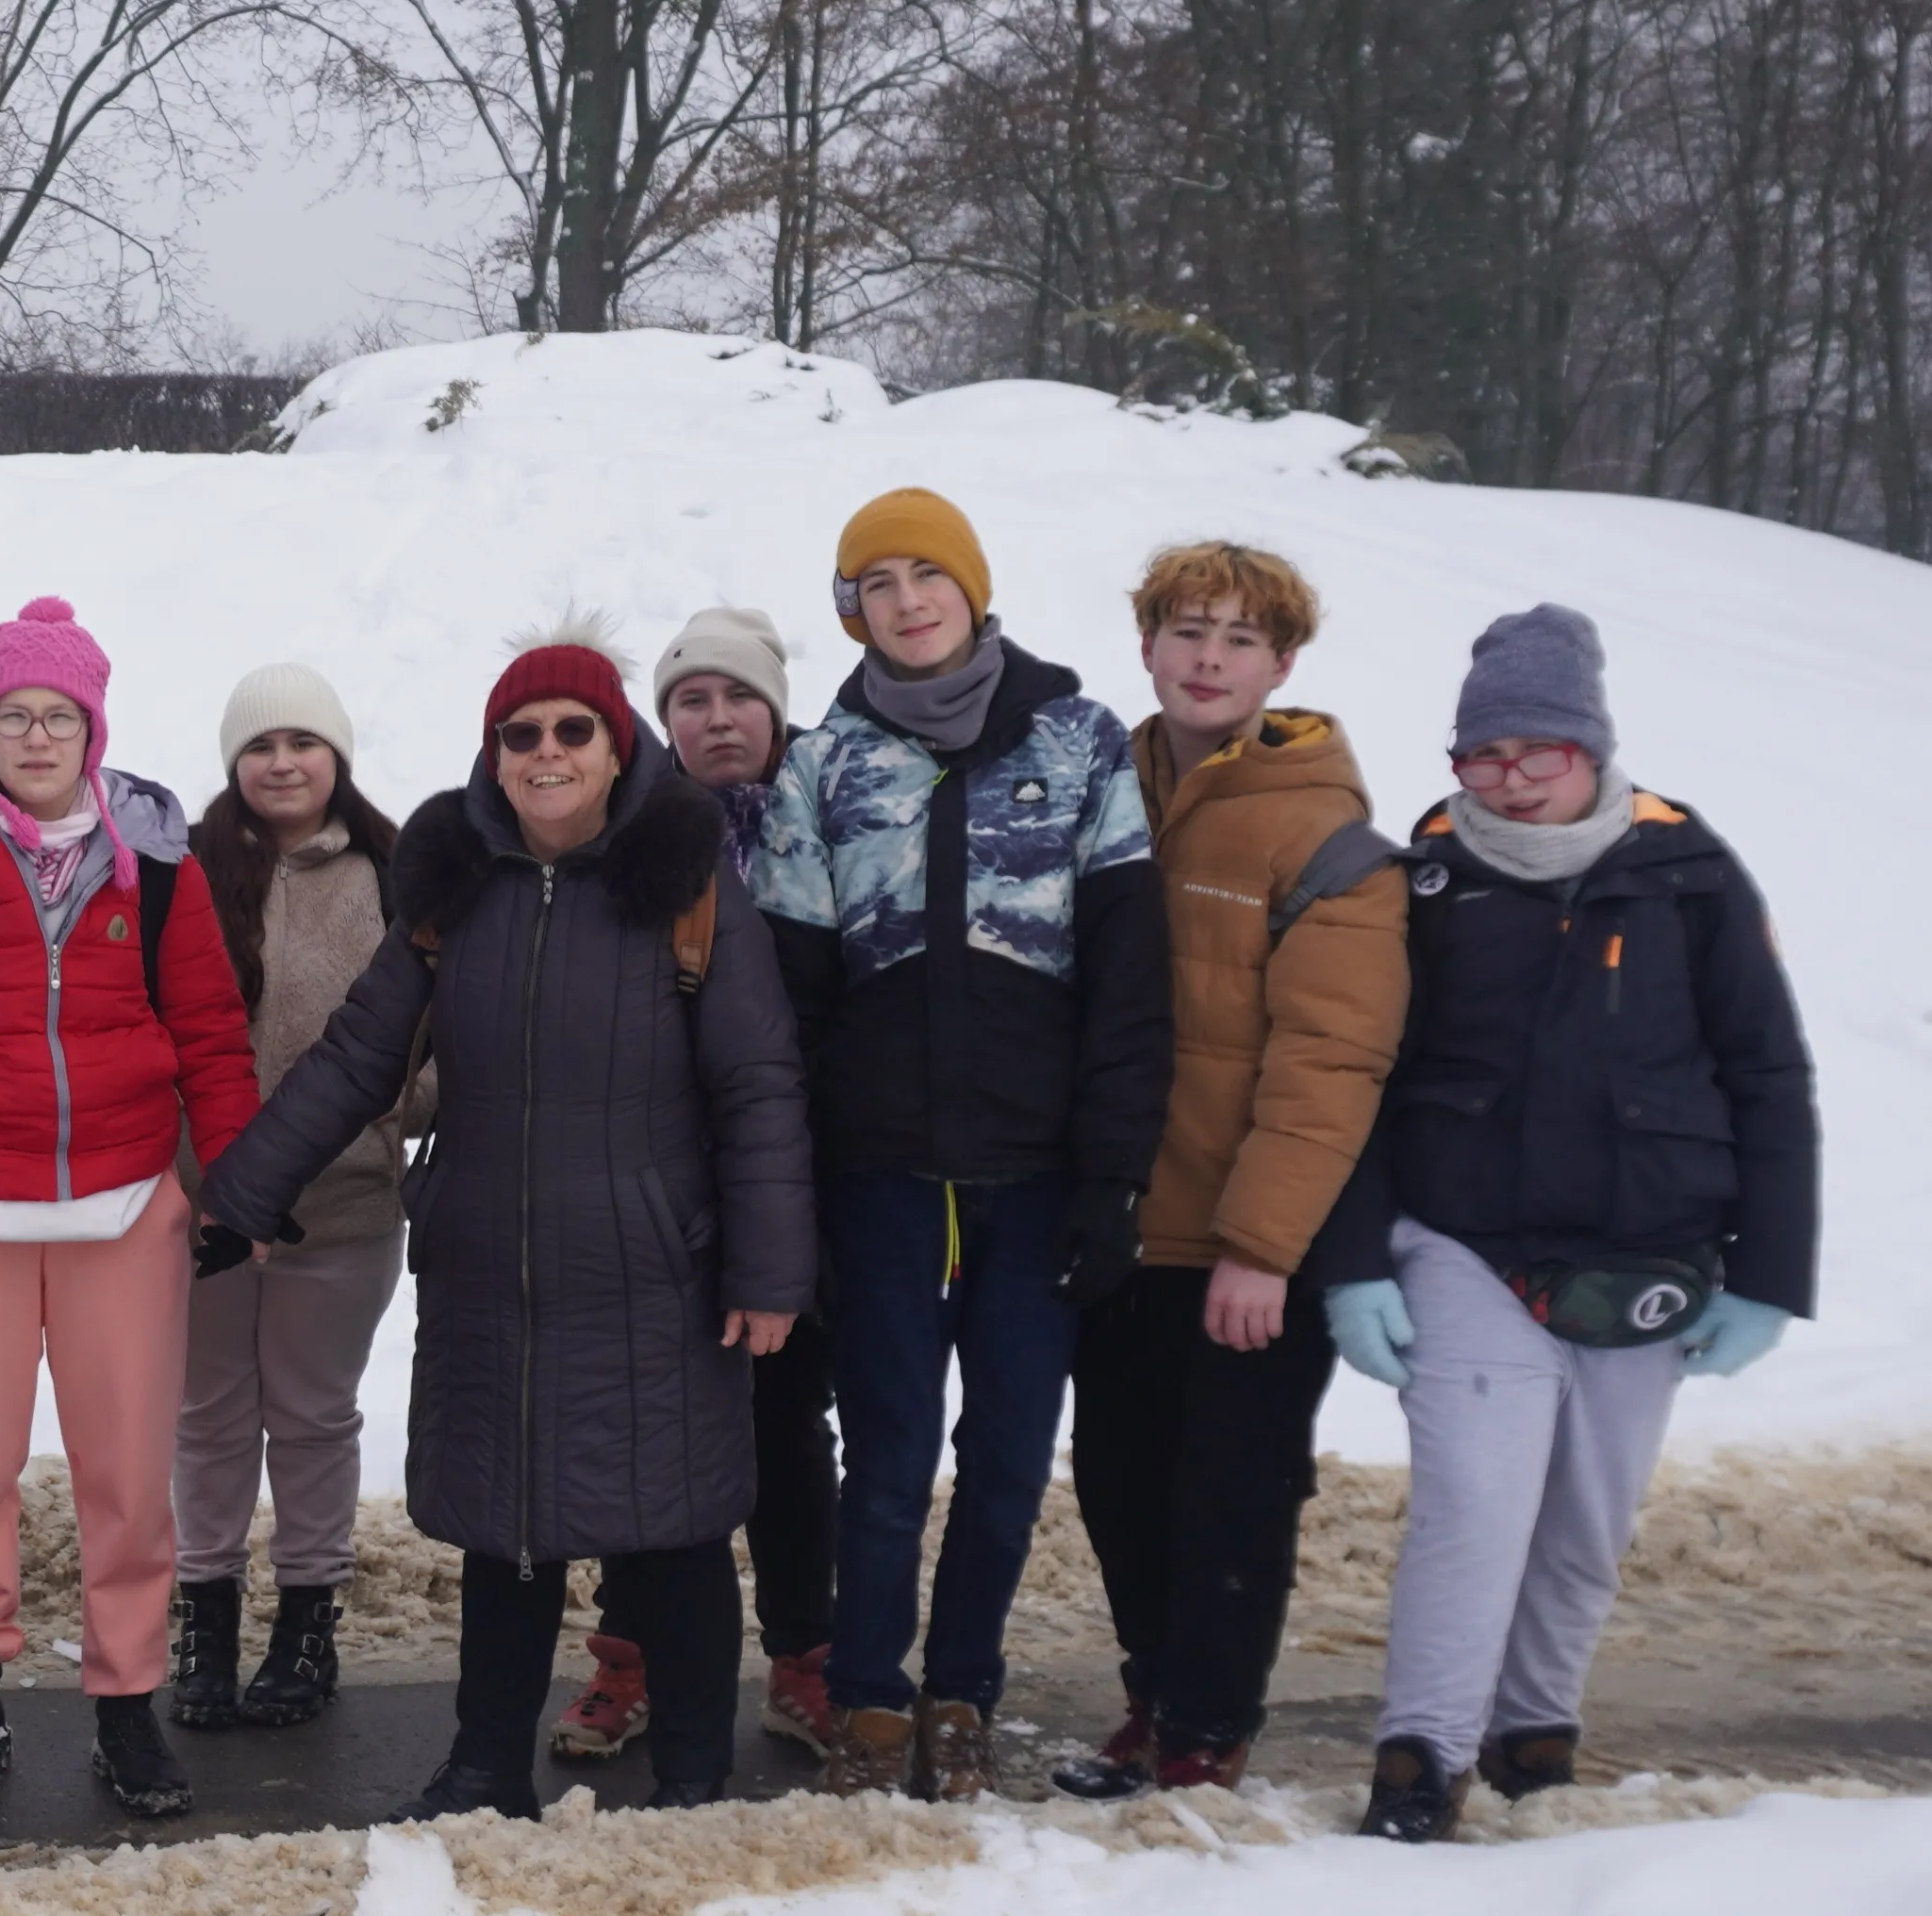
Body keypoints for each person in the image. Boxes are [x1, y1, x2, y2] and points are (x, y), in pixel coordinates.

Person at [200, 636, 814, 1816]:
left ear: (614, 744)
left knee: (676, 1532)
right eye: (519, 734)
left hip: (650, 1272)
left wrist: (770, 1268)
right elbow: (355, 1058)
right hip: (488, 1268)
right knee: (506, 1531)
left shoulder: (684, 886)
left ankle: (693, 1772)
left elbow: (756, 1084)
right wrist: (239, 1191)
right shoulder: (453, 885)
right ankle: (483, 1764)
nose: (544, 753)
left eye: (569, 731)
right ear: (493, 754)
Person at [1324, 605, 1812, 1841]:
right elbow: (1358, 1075)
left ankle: (1533, 1728)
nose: (1509, 781)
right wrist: (1352, 1264)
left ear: (1590, 748)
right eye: (1481, 756)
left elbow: (1765, 1071)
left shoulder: (1686, 872)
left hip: (1647, 1253)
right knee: (1472, 1510)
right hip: (1463, 1243)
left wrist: (1769, 1272)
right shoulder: (1420, 880)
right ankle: (1420, 1753)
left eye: (1535, 753)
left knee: (1585, 1518)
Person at [753, 491, 1168, 1802]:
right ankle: (871, 1699)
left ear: (971, 590)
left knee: (1001, 1457)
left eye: (926, 573)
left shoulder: (1081, 742)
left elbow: (1129, 982)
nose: (904, 598)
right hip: (881, 1179)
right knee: (883, 1457)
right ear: (851, 613)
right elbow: (789, 1002)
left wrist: (1110, 1178)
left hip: (1035, 1180)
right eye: (873, 582)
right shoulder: (822, 766)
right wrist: (798, 1191)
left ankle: (961, 1692)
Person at [0, 597, 260, 1823]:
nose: (34, 735)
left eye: (55, 715)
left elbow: (211, 1038)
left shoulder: (156, 868)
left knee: (127, 1472)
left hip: (126, 1208)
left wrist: (225, 1181)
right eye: (11, 715)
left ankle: (125, 1703)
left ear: (91, 726)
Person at [1050, 544, 1408, 1799]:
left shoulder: (1321, 833)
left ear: (1282, 665)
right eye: (1186, 630)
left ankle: (1208, 1726)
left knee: (1229, 1497)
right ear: (1145, 644)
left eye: (1239, 639)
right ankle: (1153, 1698)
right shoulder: (1098, 786)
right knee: (1114, 1482)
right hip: (1113, 1228)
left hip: (1238, 1244)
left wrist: (1261, 1247)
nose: (1208, 656)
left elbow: (1329, 1060)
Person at [562, 603, 841, 1764]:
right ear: (662, 721)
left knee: (785, 1427)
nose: (716, 718)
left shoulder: (832, 812)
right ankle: (627, 1661)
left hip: (796, 1171)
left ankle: (803, 1655)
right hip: (656, 1182)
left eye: (736, 697)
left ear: (774, 707)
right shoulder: (630, 829)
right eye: (690, 699)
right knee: (646, 1429)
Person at [170, 664, 416, 1733]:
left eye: (301, 743)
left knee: (314, 1416)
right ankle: (206, 1618)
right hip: (205, 1209)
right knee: (209, 1416)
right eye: (259, 745)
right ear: (234, 761)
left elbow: (438, 1027)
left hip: (345, 1201)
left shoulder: (396, 874)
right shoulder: (176, 869)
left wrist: (391, 1113)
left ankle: (306, 1622)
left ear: (336, 758)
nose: (280, 762)